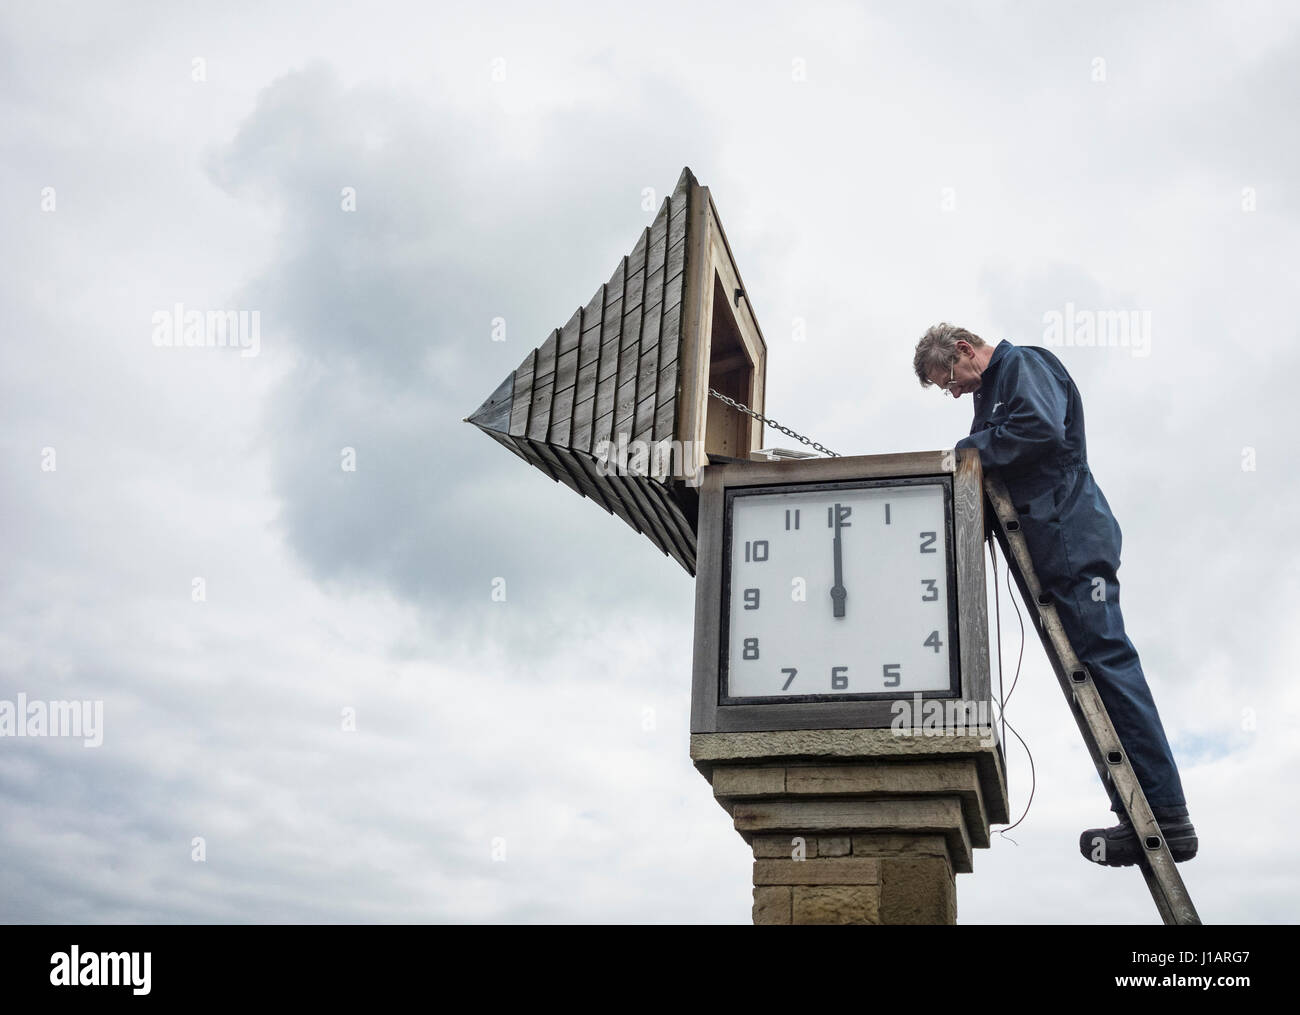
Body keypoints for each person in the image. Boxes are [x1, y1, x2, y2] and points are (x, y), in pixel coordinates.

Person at [913, 323, 1196, 867]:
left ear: (965, 351)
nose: (951, 392)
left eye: (946, 379)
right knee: (1087, 675)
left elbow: (1037, 430)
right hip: (1053, 544)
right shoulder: (990, 392)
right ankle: (1135, 812)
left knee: (1107, 665)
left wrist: (965, 451)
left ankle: (1166, 816)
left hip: (1070, 536)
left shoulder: (1022, 366)